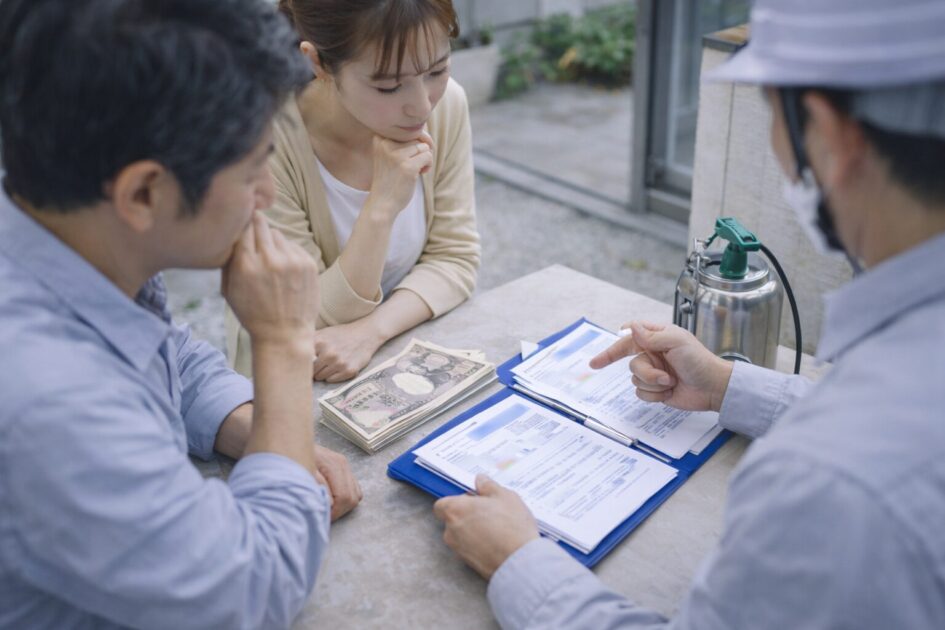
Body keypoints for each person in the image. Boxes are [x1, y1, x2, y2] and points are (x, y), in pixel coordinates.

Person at [432, 0, 945, 627]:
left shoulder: (825, 485)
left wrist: (519, 561)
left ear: (828, 135)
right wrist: (728, 385)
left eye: (769, 112)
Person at [0, 0, 362, 627]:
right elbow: (252, 588)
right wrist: (281, 344)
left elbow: (159, 347)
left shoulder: (57, 222)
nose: (269, 195)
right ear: (143, 192)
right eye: (253, 171)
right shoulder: (50, 402)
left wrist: (255, 428)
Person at [225, 0, 481, 383]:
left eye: (437, 70)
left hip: (395, 356)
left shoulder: (447, 107)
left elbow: (456, 258)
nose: (421, 105)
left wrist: (371, 331)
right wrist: (381, 207)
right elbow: (303, 313)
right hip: (294, 378)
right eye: (389, 86)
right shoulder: (263, 138)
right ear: (317, 62)